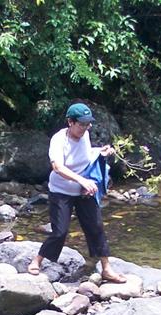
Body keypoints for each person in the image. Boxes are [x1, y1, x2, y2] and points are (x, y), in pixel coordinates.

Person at [27, 102, 127, 283]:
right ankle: (37, 260)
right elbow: (58, 167)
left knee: (96, 227)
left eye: (88, 124)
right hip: (61, 191)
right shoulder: (59, 140)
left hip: (83, 191)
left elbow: (85, 155)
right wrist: (82, 180)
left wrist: (100, 152)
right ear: (70, 122)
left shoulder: (85, 135)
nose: (85, 127)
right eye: (81, 124)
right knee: (59, 232)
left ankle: (106, 268)